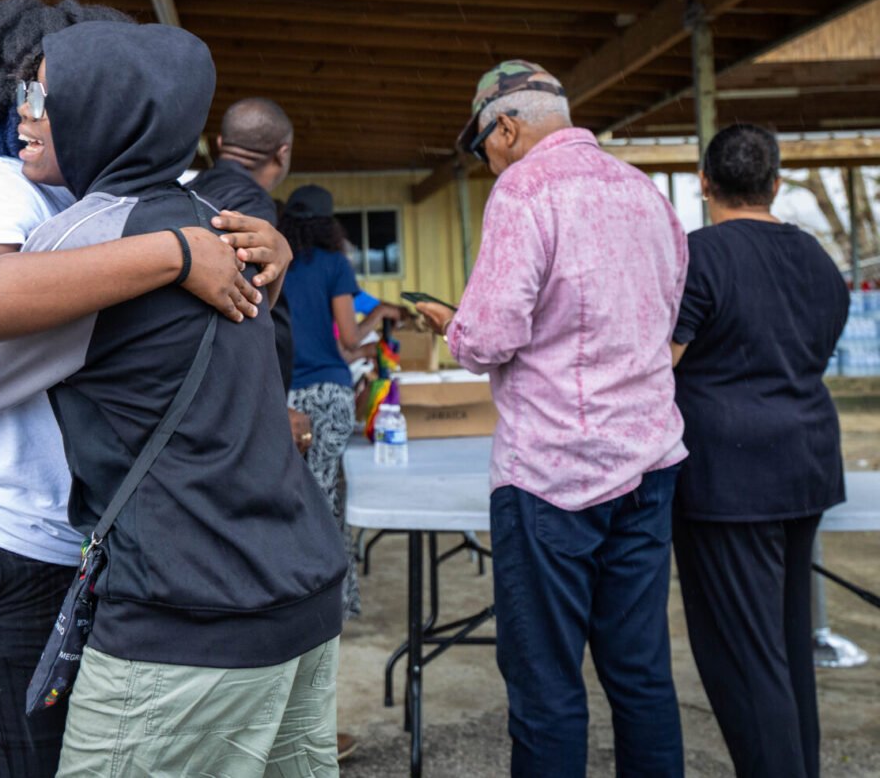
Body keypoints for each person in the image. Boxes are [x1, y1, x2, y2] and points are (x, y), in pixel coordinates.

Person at [0, 20, 346, 777]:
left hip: (190, 608)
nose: (24, 110)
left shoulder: (94, 237)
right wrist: (179, 252)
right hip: (298, 588)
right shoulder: (215, 224)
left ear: (104, 107)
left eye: (43, 91)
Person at [416, 60, 688, 777]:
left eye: (481, 147)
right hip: (649, 462)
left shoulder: (525, 189)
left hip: (552, 476)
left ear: (505, 127)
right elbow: (664, 310)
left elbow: (492, 335)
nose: (485, 162)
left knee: (547, 687)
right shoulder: (645, 194)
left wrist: (456, 327)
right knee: (640, 674)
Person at [670, 124, 849, 778]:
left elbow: (660, 363)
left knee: (744, 660)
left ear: (704, 183)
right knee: (785, 647)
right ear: (774, 183)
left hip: (728, 481)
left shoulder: (701, 256)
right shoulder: (820, 262)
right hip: (806, 465)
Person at [280, 183, 406, 621]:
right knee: (328, 499)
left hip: (281, 397)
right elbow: (350, 342)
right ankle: (333, 601)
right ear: (329, 224)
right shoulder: (335, 265)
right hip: (328, 395)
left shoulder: (274, 262)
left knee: (294, 498)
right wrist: (380, 315)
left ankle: (295, 597)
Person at [190, 97, 309, 447]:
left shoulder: (192, 192)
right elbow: (247, 303)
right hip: (236, 411)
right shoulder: (251, 205)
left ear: (221, 144)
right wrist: (270, 407)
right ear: (282, 152)